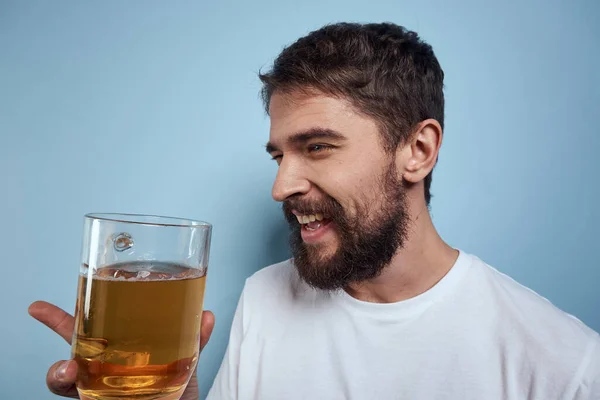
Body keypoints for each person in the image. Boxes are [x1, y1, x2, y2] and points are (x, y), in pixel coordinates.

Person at [30, 22, 600, 399]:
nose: (280, 186)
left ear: (417, 151)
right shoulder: (265, 297)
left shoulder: (567, 366)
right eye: (279, 154)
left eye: (317, 146)